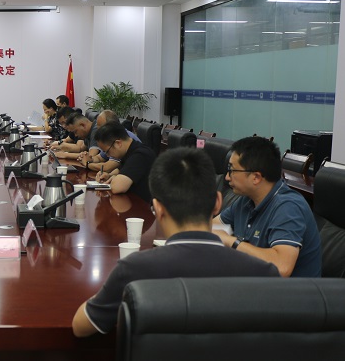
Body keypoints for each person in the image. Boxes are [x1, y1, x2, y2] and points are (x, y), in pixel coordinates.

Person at [71, 148, 280, 338]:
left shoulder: (134, 270)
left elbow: (80, 327)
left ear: (158, 209)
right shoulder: (264, 273)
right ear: (218, 203)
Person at [212, 136, 322, 277]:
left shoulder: (288, 207)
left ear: (256, 177)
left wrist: (232, 242)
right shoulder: (246, 201)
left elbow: (282, 267)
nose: (227, 177)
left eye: (232, 170)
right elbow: (211, 227)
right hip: (254, 283)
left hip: (287, 290)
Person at [94, 121, 156, 202]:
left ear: (118, 143)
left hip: (144, 206)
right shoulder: (129, 151)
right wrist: (109, 175)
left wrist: (115, 178)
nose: (108, 156)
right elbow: (120, 170)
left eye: (107, 152)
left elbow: (117, 187)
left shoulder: (141, 155)